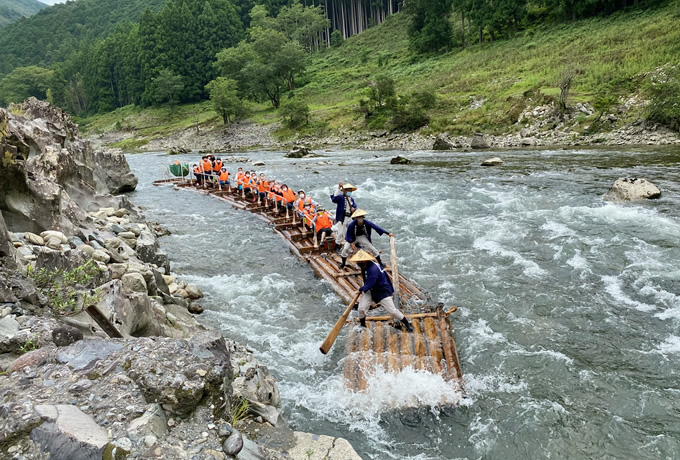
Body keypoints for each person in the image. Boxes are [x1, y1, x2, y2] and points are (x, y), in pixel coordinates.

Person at [348, 250, 413, 332]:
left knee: (392, 311)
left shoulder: (373, 269)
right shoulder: (364, 266)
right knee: (362, 308)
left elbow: (370, 282)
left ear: (364, 261)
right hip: (371, 290)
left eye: (358, 262)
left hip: (382, 290)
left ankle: (407, 324)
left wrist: (360, 289)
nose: (357, 263)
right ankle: (363, 325)